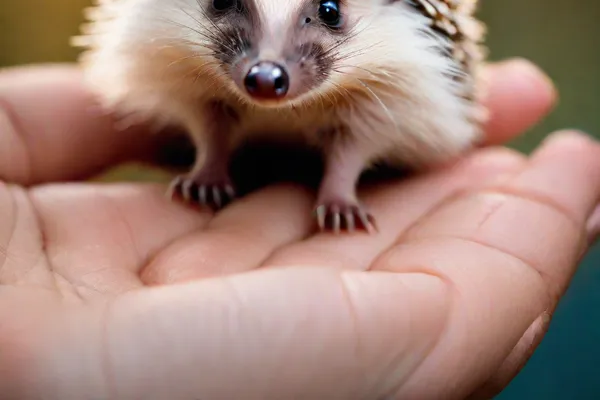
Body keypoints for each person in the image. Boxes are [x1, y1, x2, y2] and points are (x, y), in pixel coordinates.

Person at [0, 59, 598, 399]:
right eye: (228, 2)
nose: (268, 63)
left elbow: (378, 125)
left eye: (326, 13)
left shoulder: (390, 68)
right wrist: (211, 158)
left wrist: (340, 185)